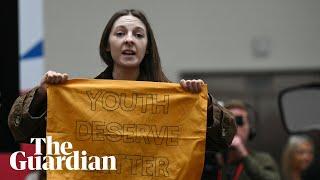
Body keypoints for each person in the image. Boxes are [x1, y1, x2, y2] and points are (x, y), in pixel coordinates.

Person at [8, 9, 236, 177]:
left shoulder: (174, 101)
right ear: (107, 45)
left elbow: (224, 138)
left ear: (147, 48)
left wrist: (203, 105)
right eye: (120, 33)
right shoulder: (77, 101)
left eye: (138, 35)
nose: (129, 39)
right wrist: (42, 95)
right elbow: (20, 129)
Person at [213, 100, 280, 180]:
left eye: (239, 121)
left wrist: (244, 156)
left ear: (250, 129)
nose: (235, 127)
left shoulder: (263, 160)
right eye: (228, 122)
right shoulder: (214, 160)